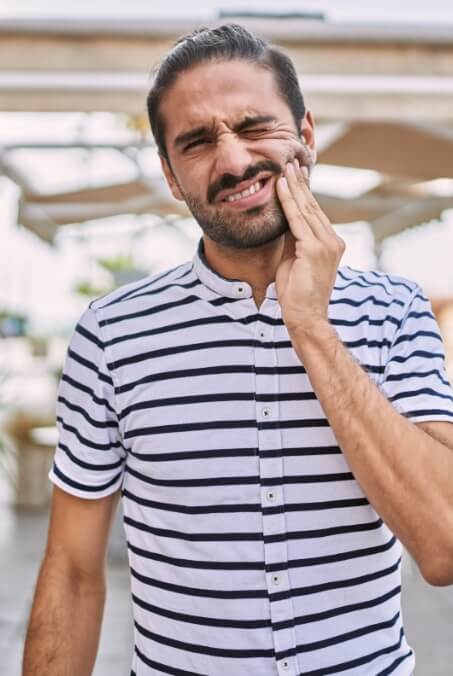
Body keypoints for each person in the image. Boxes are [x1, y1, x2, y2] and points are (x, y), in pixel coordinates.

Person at [23, 23, 453, 676]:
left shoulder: (393, 311)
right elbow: (74, 573)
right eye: (196, 143)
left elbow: (443, 542)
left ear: (304, 136)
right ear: (169, 175)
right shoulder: (110, 334)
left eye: (254, 127)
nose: (230, 163)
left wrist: (309, 324)